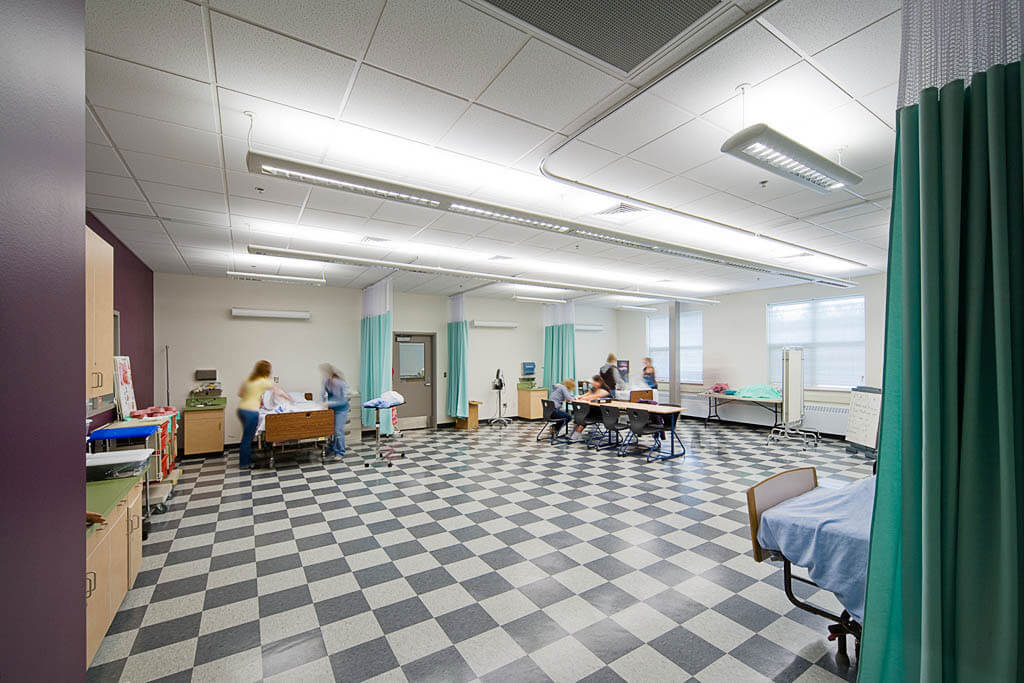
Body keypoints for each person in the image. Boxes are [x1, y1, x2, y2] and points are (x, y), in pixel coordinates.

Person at [237, 360, 290, 470]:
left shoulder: (249, 380)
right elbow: (278, 392)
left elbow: (240, 394)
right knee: (248, 438)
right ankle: (245, 463)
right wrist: (289, 398)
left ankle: (246, 459)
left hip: (241, 410)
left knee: (246, 437)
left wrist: (255, 397)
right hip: (251, 411)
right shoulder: (264, 381)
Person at [320, 363, 350, 461]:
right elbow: (322, 393)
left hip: (341, 409)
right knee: (331, 430)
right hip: (331, 410)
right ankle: (332, 447)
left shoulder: (341, 383)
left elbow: (342, 400)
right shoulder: (326, 380)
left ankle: (340, 452)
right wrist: (320, 403)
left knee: (338, 431)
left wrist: (329, 403)